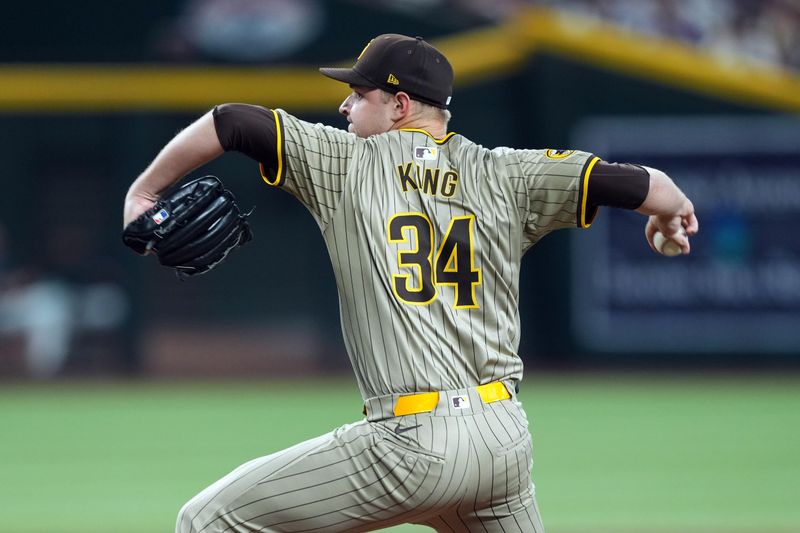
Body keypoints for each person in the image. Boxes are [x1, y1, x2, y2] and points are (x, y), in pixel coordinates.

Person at [124, 34, 698, 533]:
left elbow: (231, 121)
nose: (345, 106)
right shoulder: (508, 172)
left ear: (399, 105)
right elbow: (651, 185)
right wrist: (668, 216)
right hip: (503, 441)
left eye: (358, 94)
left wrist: (144, 194)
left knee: (206, 520)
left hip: (412, 445)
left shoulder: (345, 161)